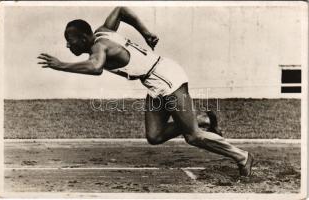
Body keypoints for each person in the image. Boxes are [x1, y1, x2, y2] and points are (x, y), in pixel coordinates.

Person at [37, 7, 253, 176]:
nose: (67, 46)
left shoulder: (98, 47)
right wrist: (146, 33)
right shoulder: (104, 30)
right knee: (155, 135)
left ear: (84, 38)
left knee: (193, 136)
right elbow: (121, 9)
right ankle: (203, 119)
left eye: (70, 41)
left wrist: (60, 65)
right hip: (153, 81)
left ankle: (242, 157)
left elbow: (95, 68)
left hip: (166, 78)